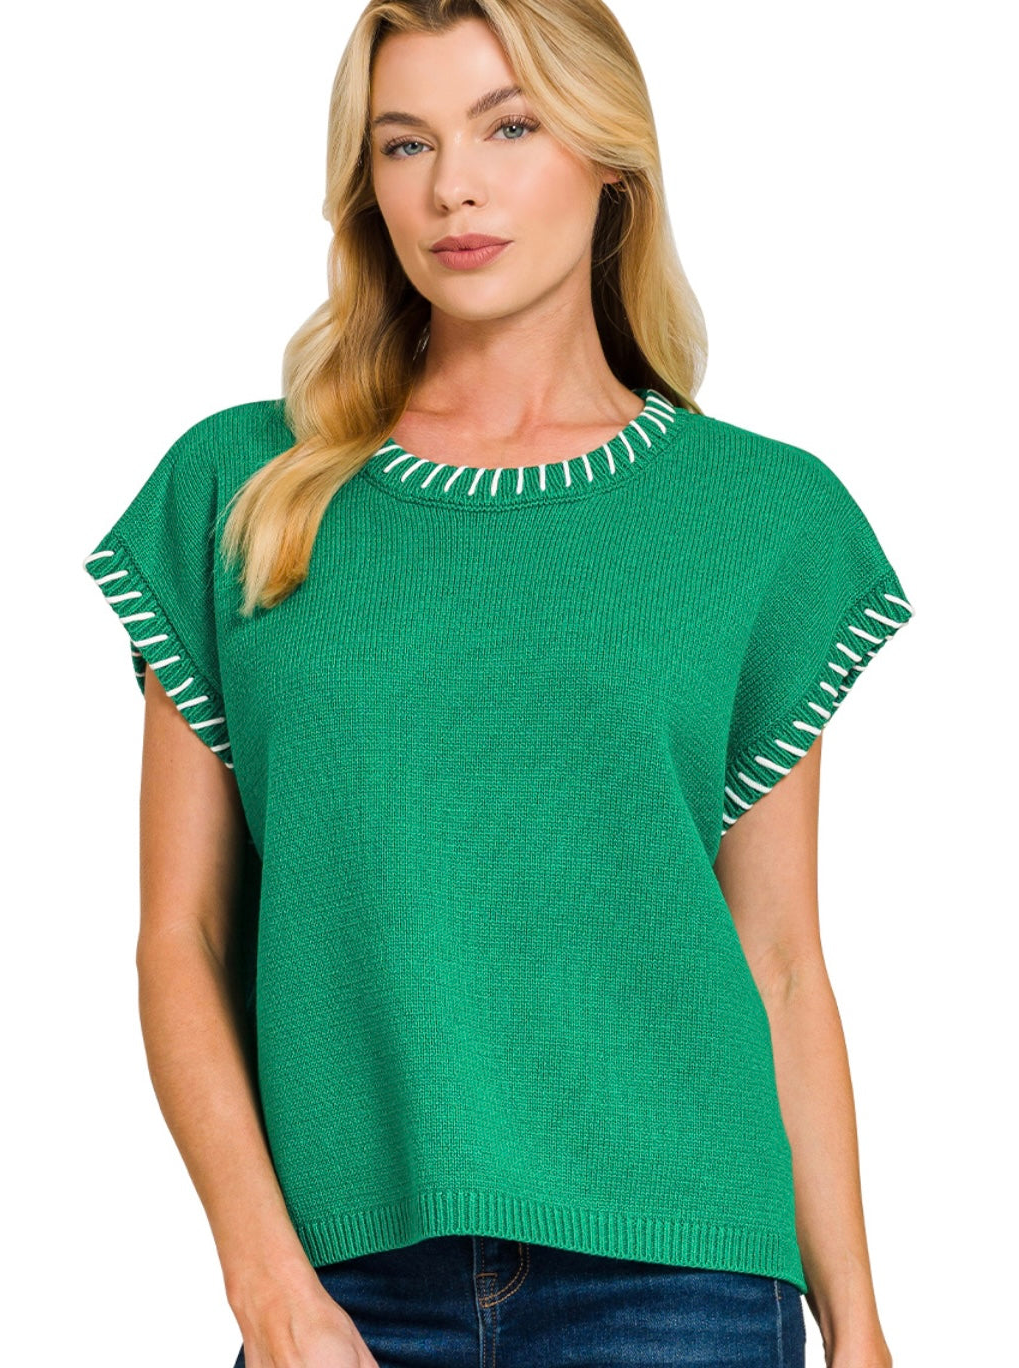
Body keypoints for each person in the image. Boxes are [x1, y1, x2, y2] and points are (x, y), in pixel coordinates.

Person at [80, 2, 915, 1365]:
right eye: (404, 144)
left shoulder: (760, 518)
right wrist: (266, 1285)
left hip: (682, 1284)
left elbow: (776, 962)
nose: (451, 188)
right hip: (342, 1286)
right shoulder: (244, 489)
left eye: (508, 128)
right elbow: (184, 936)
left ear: (610, 162)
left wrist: (861, 1326)